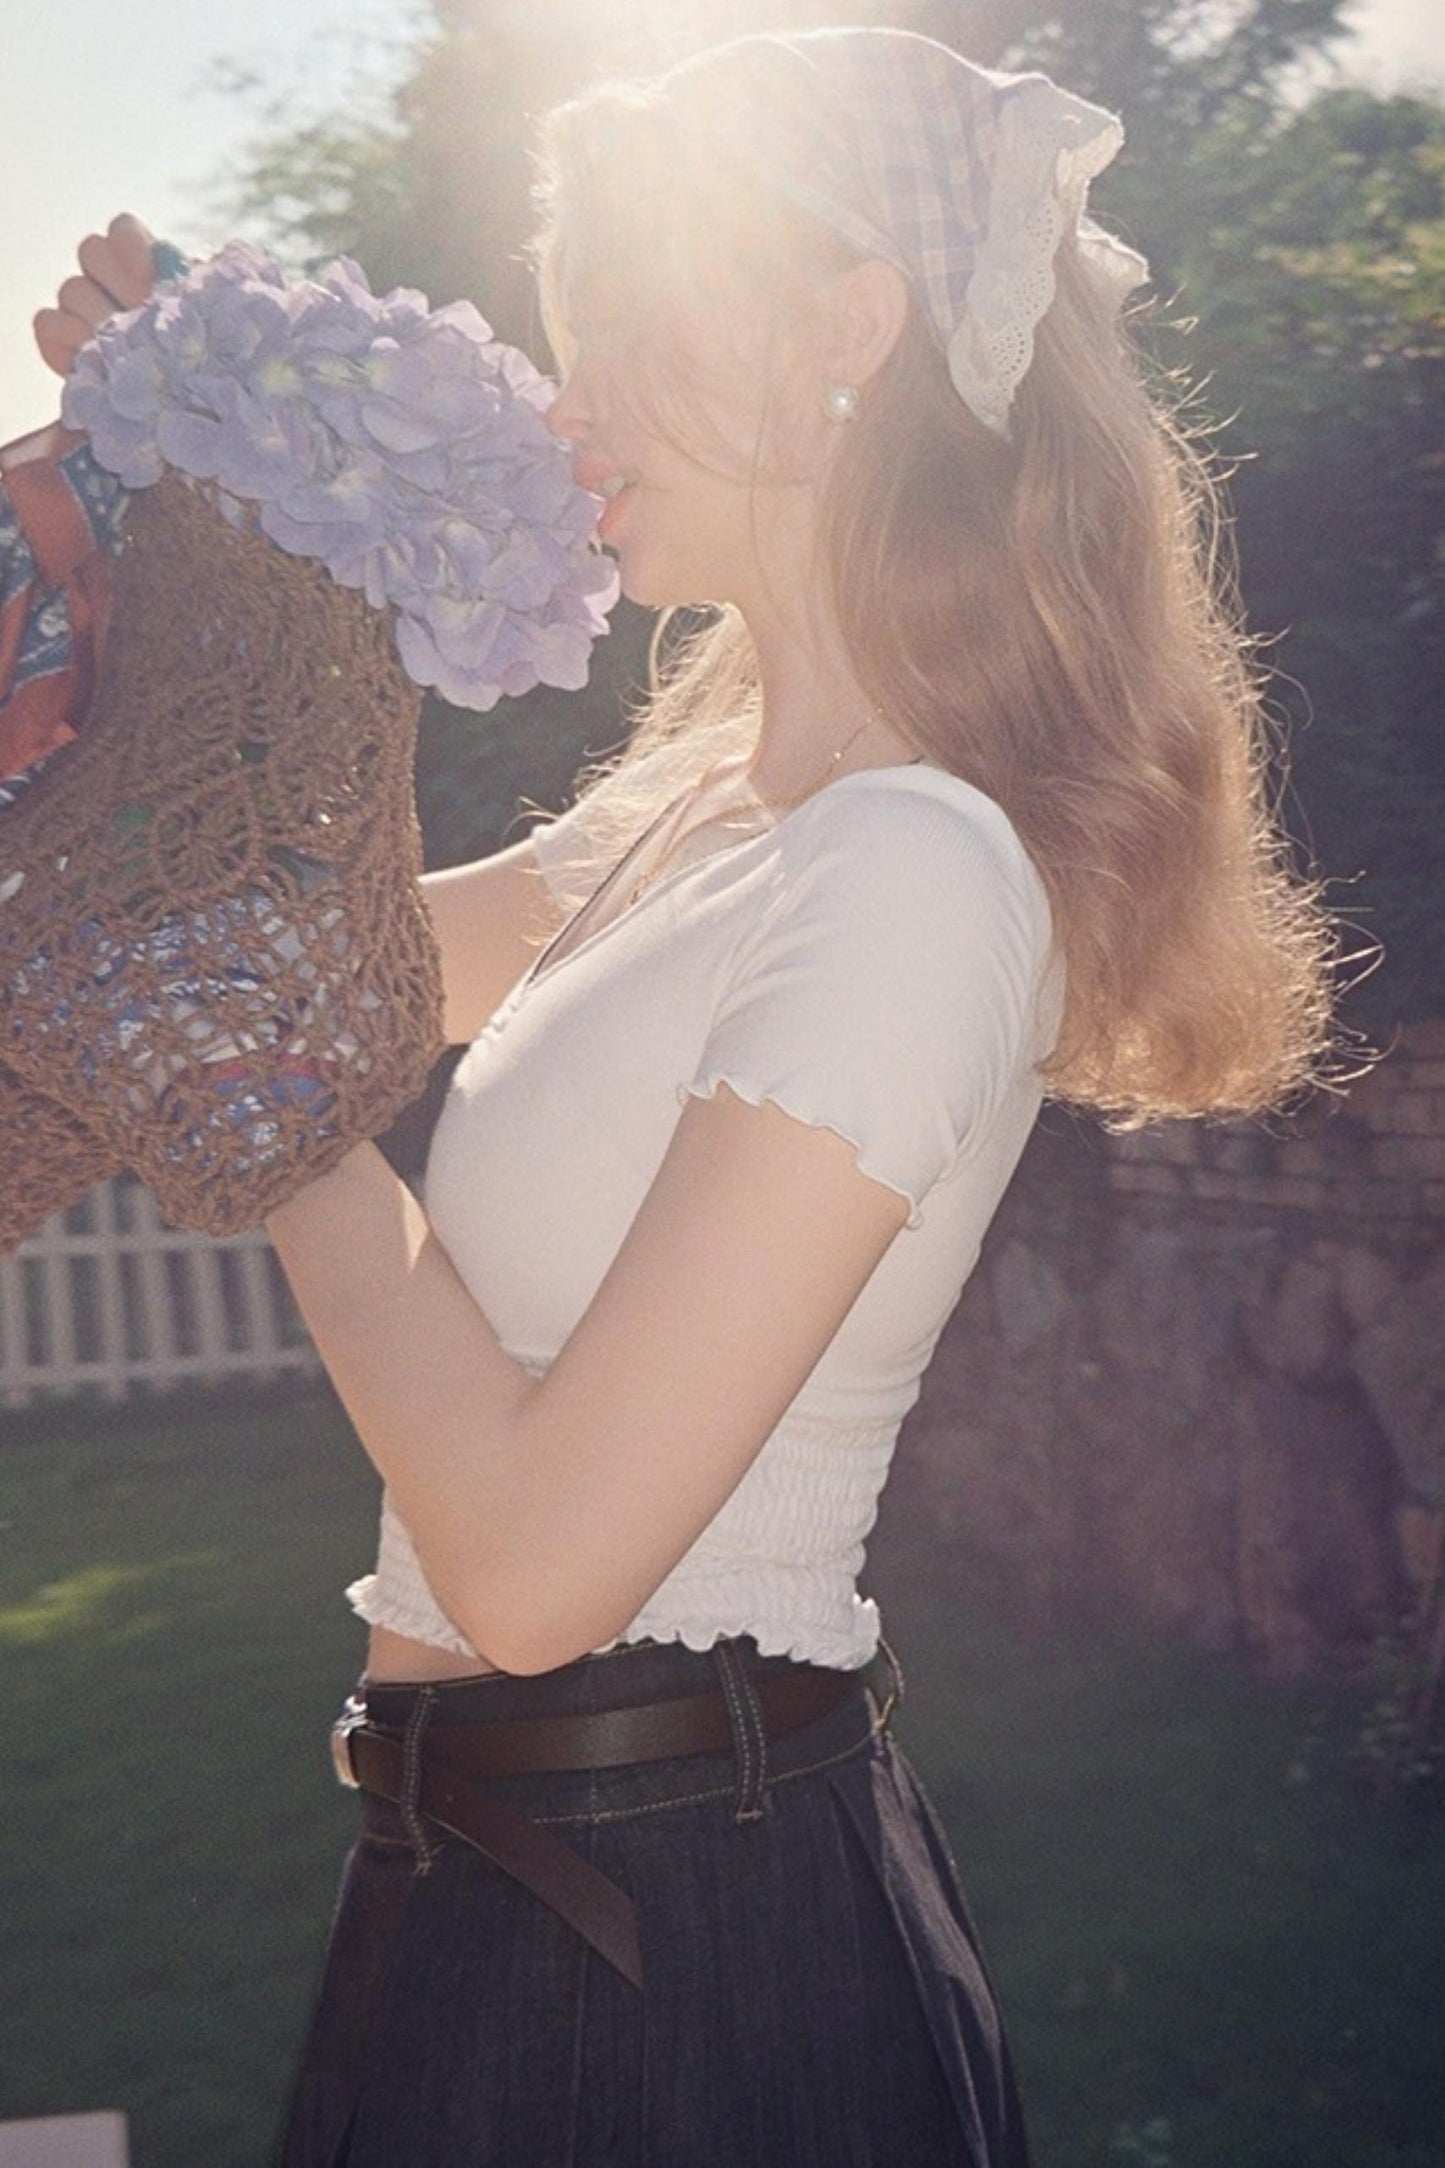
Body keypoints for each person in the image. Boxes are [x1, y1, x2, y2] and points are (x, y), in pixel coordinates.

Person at [40, 26, 1336, 2168]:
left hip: (673, 1954)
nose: (567, 409)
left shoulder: (915, 869)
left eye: (622, 333)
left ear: (844, 322)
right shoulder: (694, 815)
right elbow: (234, 945)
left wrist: (274, 1121)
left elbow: (541, 1565)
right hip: (496, 1880)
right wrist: (213, 482)